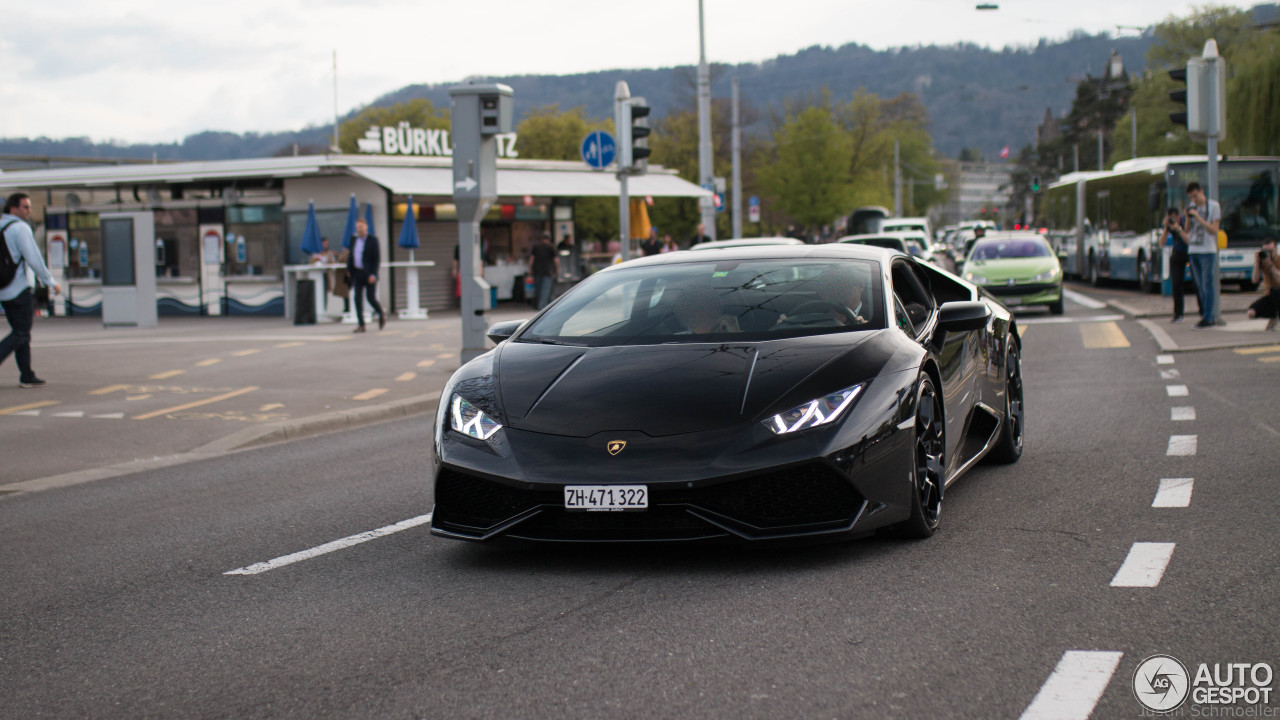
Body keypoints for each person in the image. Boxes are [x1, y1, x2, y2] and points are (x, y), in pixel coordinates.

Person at [1, 192, 61, 388]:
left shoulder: (2, 225)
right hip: (19, 288)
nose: (29, 211)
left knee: (22, 333)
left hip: (3, 289)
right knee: (21, 332)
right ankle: (26, 374)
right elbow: (34, 258)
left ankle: (26, 374)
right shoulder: (20, 229)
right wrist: (50, 281)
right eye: (25, 207)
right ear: (14, 208)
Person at [1183, 181, 1222, 328]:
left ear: (1201, 191)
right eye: (1191, 197)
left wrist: (1199, 217)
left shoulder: (1213, 206)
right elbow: (1187, 230)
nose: (1194, 200)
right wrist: (1187, 217)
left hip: (1207, 250)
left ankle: (1208, 317)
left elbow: (1214, 230)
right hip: (1193, 250)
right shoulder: (1192, 207)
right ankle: (1204, 314)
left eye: (1195, 196)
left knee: (1207, 284)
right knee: (1199, 286)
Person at [345, 219, 384, 332]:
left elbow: (376, 259)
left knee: (370, 297)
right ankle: (361, 324)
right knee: (357, 298)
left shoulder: (373, 240)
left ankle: (381, 313)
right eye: (357, 227)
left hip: (369, 273)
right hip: (357, 272)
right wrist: (349, 269)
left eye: (361, 227)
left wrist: (374, 274)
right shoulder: (354, 239)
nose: (359, 229)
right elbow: (351, 255)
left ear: (366, 227)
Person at [1163, 206, 1194, 323]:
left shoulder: (1184, 220)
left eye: (1172, 218)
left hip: (1189, 252)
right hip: (1177, 253)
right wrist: (1166, 228)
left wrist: (1177, 228)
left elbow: (1187, 238)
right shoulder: (1169, 225)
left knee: (1196, 282)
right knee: (1176, 284)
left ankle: (1203, 311)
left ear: (1177, 216)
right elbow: (1162, 242)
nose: (1172, 220)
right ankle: (1178, 313)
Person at [1246, 239, 1280, 331]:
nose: (1267, 254)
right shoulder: (1263, 262)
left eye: (1270, 251)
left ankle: (1276, 317)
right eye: (1265, 251)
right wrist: (1257, 264)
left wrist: (1270, 265)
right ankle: (1274, 316)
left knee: (1275, 290)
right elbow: (1254, 280)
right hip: (1270, 296)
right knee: (1251, 313)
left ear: (1276, 250)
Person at [528, 231, 559, 310]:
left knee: (538, 290)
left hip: (537, 272)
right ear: (549, 238)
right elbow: (556, 260)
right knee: (546, 291)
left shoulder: (536, 247)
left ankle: (543, 306)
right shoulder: (551, 247)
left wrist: (530, 269)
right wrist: (557, 270)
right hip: (548, 272)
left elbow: (531, 259)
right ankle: (542, 308)